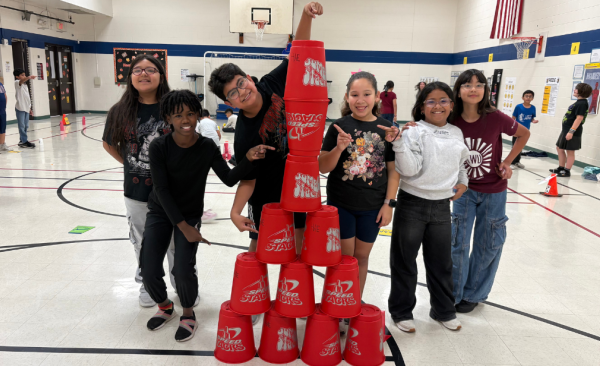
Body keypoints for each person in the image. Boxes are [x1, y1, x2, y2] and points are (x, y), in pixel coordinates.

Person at [141, 89, 273, 342]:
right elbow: (161, 189)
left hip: (189, 213)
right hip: (161, 211)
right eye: (178, 115)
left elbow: (228, 178)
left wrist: (246, 159)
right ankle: (165, 306)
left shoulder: (206, 146)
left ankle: (188, 314)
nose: (186, 120)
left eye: (191, 114)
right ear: (168, 117)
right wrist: (183, 227)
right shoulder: (160, 146)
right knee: (148, 267)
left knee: (182, 268)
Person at [207, 2, 323, 261]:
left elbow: (299, 52)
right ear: (229, 103)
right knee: (258, 249)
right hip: (265, 198)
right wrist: (236, 212)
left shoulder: (271, 83)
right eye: (233, 93)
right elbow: (248, 178)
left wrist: (305, 16)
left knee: (298, 248)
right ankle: (252, 298)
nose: (242, 92)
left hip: (295, 188)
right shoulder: (244, 135)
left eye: (241, 83)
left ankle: (292, 300)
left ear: (249, 77)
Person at [102, 55, 198, 308]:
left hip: (177, 193)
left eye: (151, 70)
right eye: (137, 70)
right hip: (138, 193)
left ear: (161, 75)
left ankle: (184, 283)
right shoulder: (119, 111)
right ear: (130, 77)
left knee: (180, 243)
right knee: (144, 243)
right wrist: (132, 164)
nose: (144, 74)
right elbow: (109, 143)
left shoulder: (174, 107)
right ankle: (149, 283)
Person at [379, 82, 467, 333]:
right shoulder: (414, 131)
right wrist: (398, 143)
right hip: (412, 204)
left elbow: (461, 164)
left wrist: (463, 182)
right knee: (405, 261)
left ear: (451, 105)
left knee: (441, 262)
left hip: (442, 206)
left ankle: (443, 310)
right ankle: (401, 311)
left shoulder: (456, 132)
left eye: (443, 100)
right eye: (431, 101)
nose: (437, 106)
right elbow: (408, 170)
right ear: (421, 106)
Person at [450, 69, 530, 314]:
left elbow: (524, 134)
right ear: (459, 90)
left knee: (488, 244)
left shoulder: (496, 117)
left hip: (494, 191)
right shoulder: (451, 118)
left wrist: (507, 162)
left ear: (485, 90)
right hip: (462, 191)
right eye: (467, 85)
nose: (473, 89)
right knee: (458, 244)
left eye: (479, 85)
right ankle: (454, 293)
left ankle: (474, 293)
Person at [319, 71, 400, 298]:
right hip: (341, 203)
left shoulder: (386, 130)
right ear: (346, 97)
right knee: (344, 259)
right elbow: (322, 167)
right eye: (354, 94)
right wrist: (338, 148)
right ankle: (336, 303)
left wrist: (389, 204)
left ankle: (352, 303)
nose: (360, 100)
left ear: (376, 97)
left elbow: (394, 171)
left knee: (362, 258)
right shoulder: (338, 127)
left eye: (366, 94)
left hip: (372, 206)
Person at [550, 83, 591, 177]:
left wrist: (571, 131)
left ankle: (567, 171)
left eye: (576, 89)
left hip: (572, 131)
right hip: (565, 130)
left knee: (570, 151)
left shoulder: (582, 103)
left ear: (582, 91)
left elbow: (579, 118)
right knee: (559, 148)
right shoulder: (578, 102)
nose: (574, 90)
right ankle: (561, 167)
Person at [510, 90, 538, 169]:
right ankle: (512, 162)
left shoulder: (533, 108)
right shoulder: (518, 107)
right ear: (523, 97)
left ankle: (517, 162)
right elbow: (513, 118)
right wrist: (512, 128)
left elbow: (531, 118)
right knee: (514, 146)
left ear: (532, 98)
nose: (528, 98)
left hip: (525, 131)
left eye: (530, 96)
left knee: (520, 147)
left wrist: (533, 121)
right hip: (517, 130)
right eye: (526, 96)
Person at [14, 68, 36, 149]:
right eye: (22, 75)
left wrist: (29, 108)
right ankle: (24, 141)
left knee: (26, 125)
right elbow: (21, 81)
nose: (24, 76)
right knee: (22, 125)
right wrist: (29, 77)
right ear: (17, 77)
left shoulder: (25, 85)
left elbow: (26, 98)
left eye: (25, 75)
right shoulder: (17, 83)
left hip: (26, 108)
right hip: (20, 108)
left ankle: (21, 141)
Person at [0, 80, 7, 152]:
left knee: (2, 127)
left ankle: (2, 145)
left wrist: (5, 107)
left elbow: (5, 95)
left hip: (2, 110)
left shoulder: (1, 85)